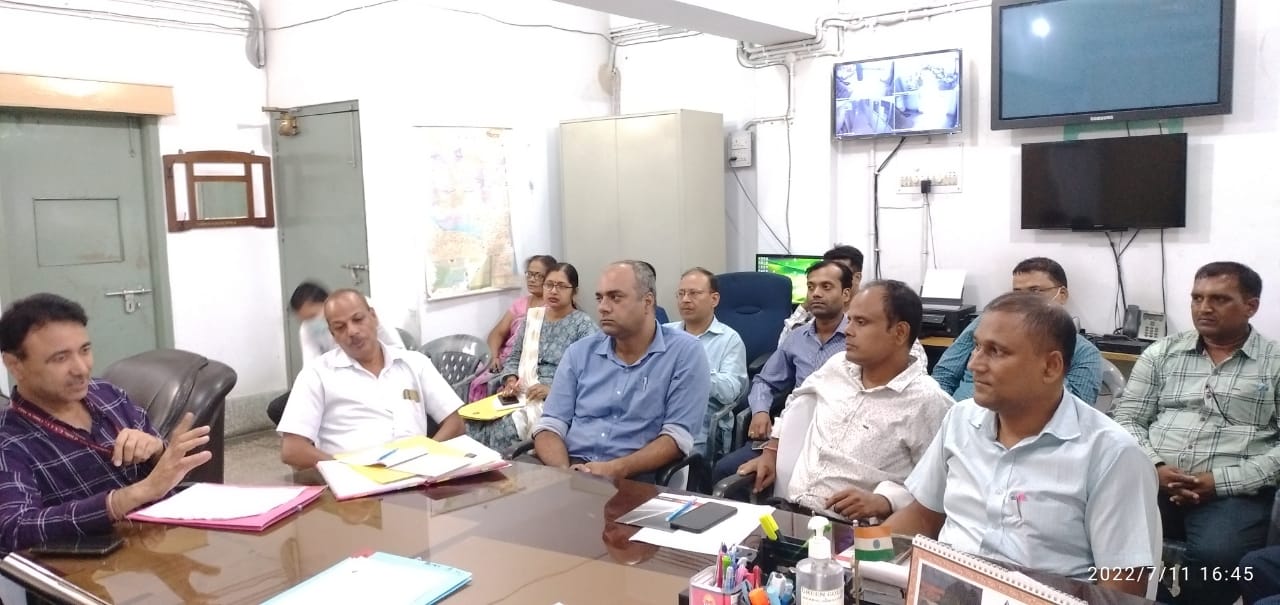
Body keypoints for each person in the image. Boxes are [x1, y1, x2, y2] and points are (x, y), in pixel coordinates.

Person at [887, 292, 1158, 597]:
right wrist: (860, 554)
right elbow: (924, 514)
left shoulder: (1111, 454)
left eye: (996, 351)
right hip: (946, 593)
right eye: (977, 347)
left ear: (1051, 367)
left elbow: (1121, 588)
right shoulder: (960, 420)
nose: (974, 364)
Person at [1112, 261, 1280, 605]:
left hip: (1233, 493)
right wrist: (1154, 467)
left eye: (1219, 299)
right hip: (1153, 480)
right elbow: (1127, 419)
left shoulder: (1274, 363)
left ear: (1251, 306)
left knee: (1217, 556)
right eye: (1197, 298)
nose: (1204, 308)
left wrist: (1219, 482)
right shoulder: (1161, 353)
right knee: (1106, 531)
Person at [0, 293, 212, 553]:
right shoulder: (8, 440)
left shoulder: (106, 393)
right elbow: (15, 529)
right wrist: (128, 498)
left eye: (85, 350)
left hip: (165, 540)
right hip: (100, 566)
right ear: (14, 365)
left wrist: (158, 450)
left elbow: (162, 477)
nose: (81, 368)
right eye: (60, 358)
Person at [736, 281, 952, 520]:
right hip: (790, 513)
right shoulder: (838, 366)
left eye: (861, 322)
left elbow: (939, 489)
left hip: (854, 530)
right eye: (850, 320)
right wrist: (771, 452)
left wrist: (887, 501)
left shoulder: (927, 401)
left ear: (900, 332)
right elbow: (796, 401)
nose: (848, 330)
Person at [532, 261, 709, 483]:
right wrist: (565, 473)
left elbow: (676, 437)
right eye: (599, 298)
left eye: (615, 297)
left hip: (636, 477)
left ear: (647, 302)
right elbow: (551, 424)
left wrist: (615, 469)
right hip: (572, 471)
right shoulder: (580, 352)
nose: (603, 307)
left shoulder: (685, 352)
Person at [277, 289, 465, 469]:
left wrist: (428, 457)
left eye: (358, 319)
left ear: (373, 317)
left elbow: (455, 423)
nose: (352, 331)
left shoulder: (415, 363)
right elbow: (292, 450)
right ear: (333, 334)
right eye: (340, 327)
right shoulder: (316, 375)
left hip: (419, 475)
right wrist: (346, 470)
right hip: (354, 482)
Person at [710, 260, 854, 484]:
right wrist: (760, 411)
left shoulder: (857, 339)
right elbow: (765, 380)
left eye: (826, 287)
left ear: (846, 294)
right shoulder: (796, 337)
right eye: (811, 287)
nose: (816, 293)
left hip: (838, 435)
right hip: (792, 431)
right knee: (725, 470)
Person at [932, 257, 1103, 403]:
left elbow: (1076, 413)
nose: (1025, 300)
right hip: (957, 417)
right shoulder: (985, 325)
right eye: (1017, 293)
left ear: (1062, 295)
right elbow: (944, 374)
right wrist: (944, 415)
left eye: (1035, 291)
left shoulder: (1084, 353)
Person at [467, 262, 597, 452]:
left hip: (554, 398)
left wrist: (552, 390)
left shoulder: (583, 326)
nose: (553, 291)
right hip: (519, 393)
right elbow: (514, 357)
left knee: (505, 430)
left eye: (561, 286)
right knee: (471, 423)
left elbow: (591, 374)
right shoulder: (532, 318)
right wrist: (511, 380)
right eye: (549, 285)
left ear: (574, 292)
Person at [267, 281, 405, 425]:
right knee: (278, 408)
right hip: (334, 379)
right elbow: (310, 367)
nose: (311, 323)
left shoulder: (362, 308)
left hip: (374, 374)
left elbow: (396, 349)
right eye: (306, 319)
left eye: (313, 316)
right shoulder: (308, 329)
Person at [665, 267, 748, 459]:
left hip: (698, 422)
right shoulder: (665, 333)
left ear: (714, 299)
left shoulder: (729, 339)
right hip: (656, 415)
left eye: (694, 293)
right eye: (681, 294)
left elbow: (730, 392)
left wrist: (695, 372)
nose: (685, 299)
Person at [469, 255, 557, 401]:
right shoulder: (520, 304)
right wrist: (494, 357)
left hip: (531, 365)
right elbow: (497, 334)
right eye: (529, 274)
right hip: (507, 360)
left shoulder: (554, 308)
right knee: (479, 382)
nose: (531, 279)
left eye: (538, 275)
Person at [778, 245, 864, 346]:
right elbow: (784, 344)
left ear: (857, 277)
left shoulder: (867, 314)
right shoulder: (818, 310)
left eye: (826, 286)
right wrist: (806, 304)